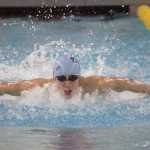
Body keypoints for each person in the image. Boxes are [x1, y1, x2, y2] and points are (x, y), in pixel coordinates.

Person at [0, 53, 150, 99]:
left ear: (80, 77)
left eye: (72, 77)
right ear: (54, 78)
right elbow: (9, 87)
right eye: (61, 78)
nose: (67, 83)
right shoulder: (39, 87)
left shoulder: (94, 84)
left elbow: (124, 83)